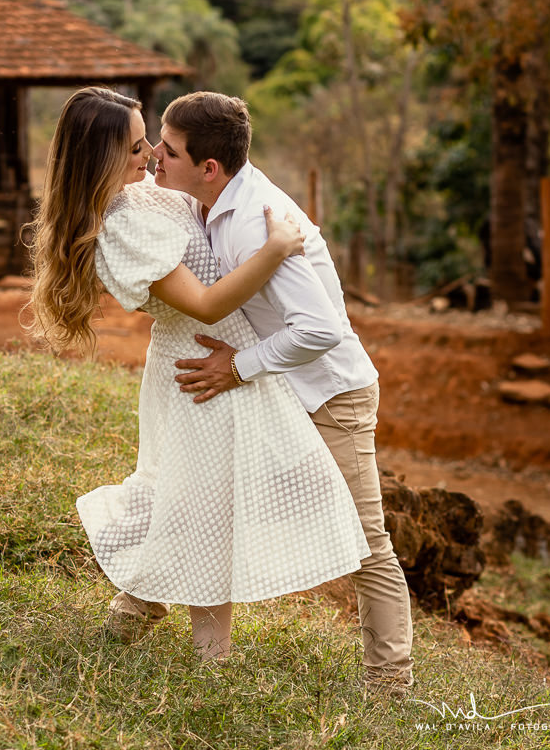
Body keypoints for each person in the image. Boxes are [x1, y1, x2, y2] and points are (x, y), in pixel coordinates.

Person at [24, 86, 370, 661]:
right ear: (102, 158)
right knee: (202, 503)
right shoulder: (121, 225)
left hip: (223, 360)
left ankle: (137, 608)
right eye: (138, 147)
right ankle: (212, 657)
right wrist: (276, 248)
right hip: (201, 364)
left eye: (153, 142)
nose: (152, 154)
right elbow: (206, 304)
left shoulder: (143, 193)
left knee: (191, 495)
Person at [150, 90, 414, 693]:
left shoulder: (254, 221)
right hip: (275, 390)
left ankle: (390, 687)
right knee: (199, 500)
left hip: (329, 396)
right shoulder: (203, 200)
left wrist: (239, 367)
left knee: (366, 544)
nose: (156, 158)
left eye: (168, 150)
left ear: (209, 167)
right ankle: (135, 612)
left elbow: (320, 330)